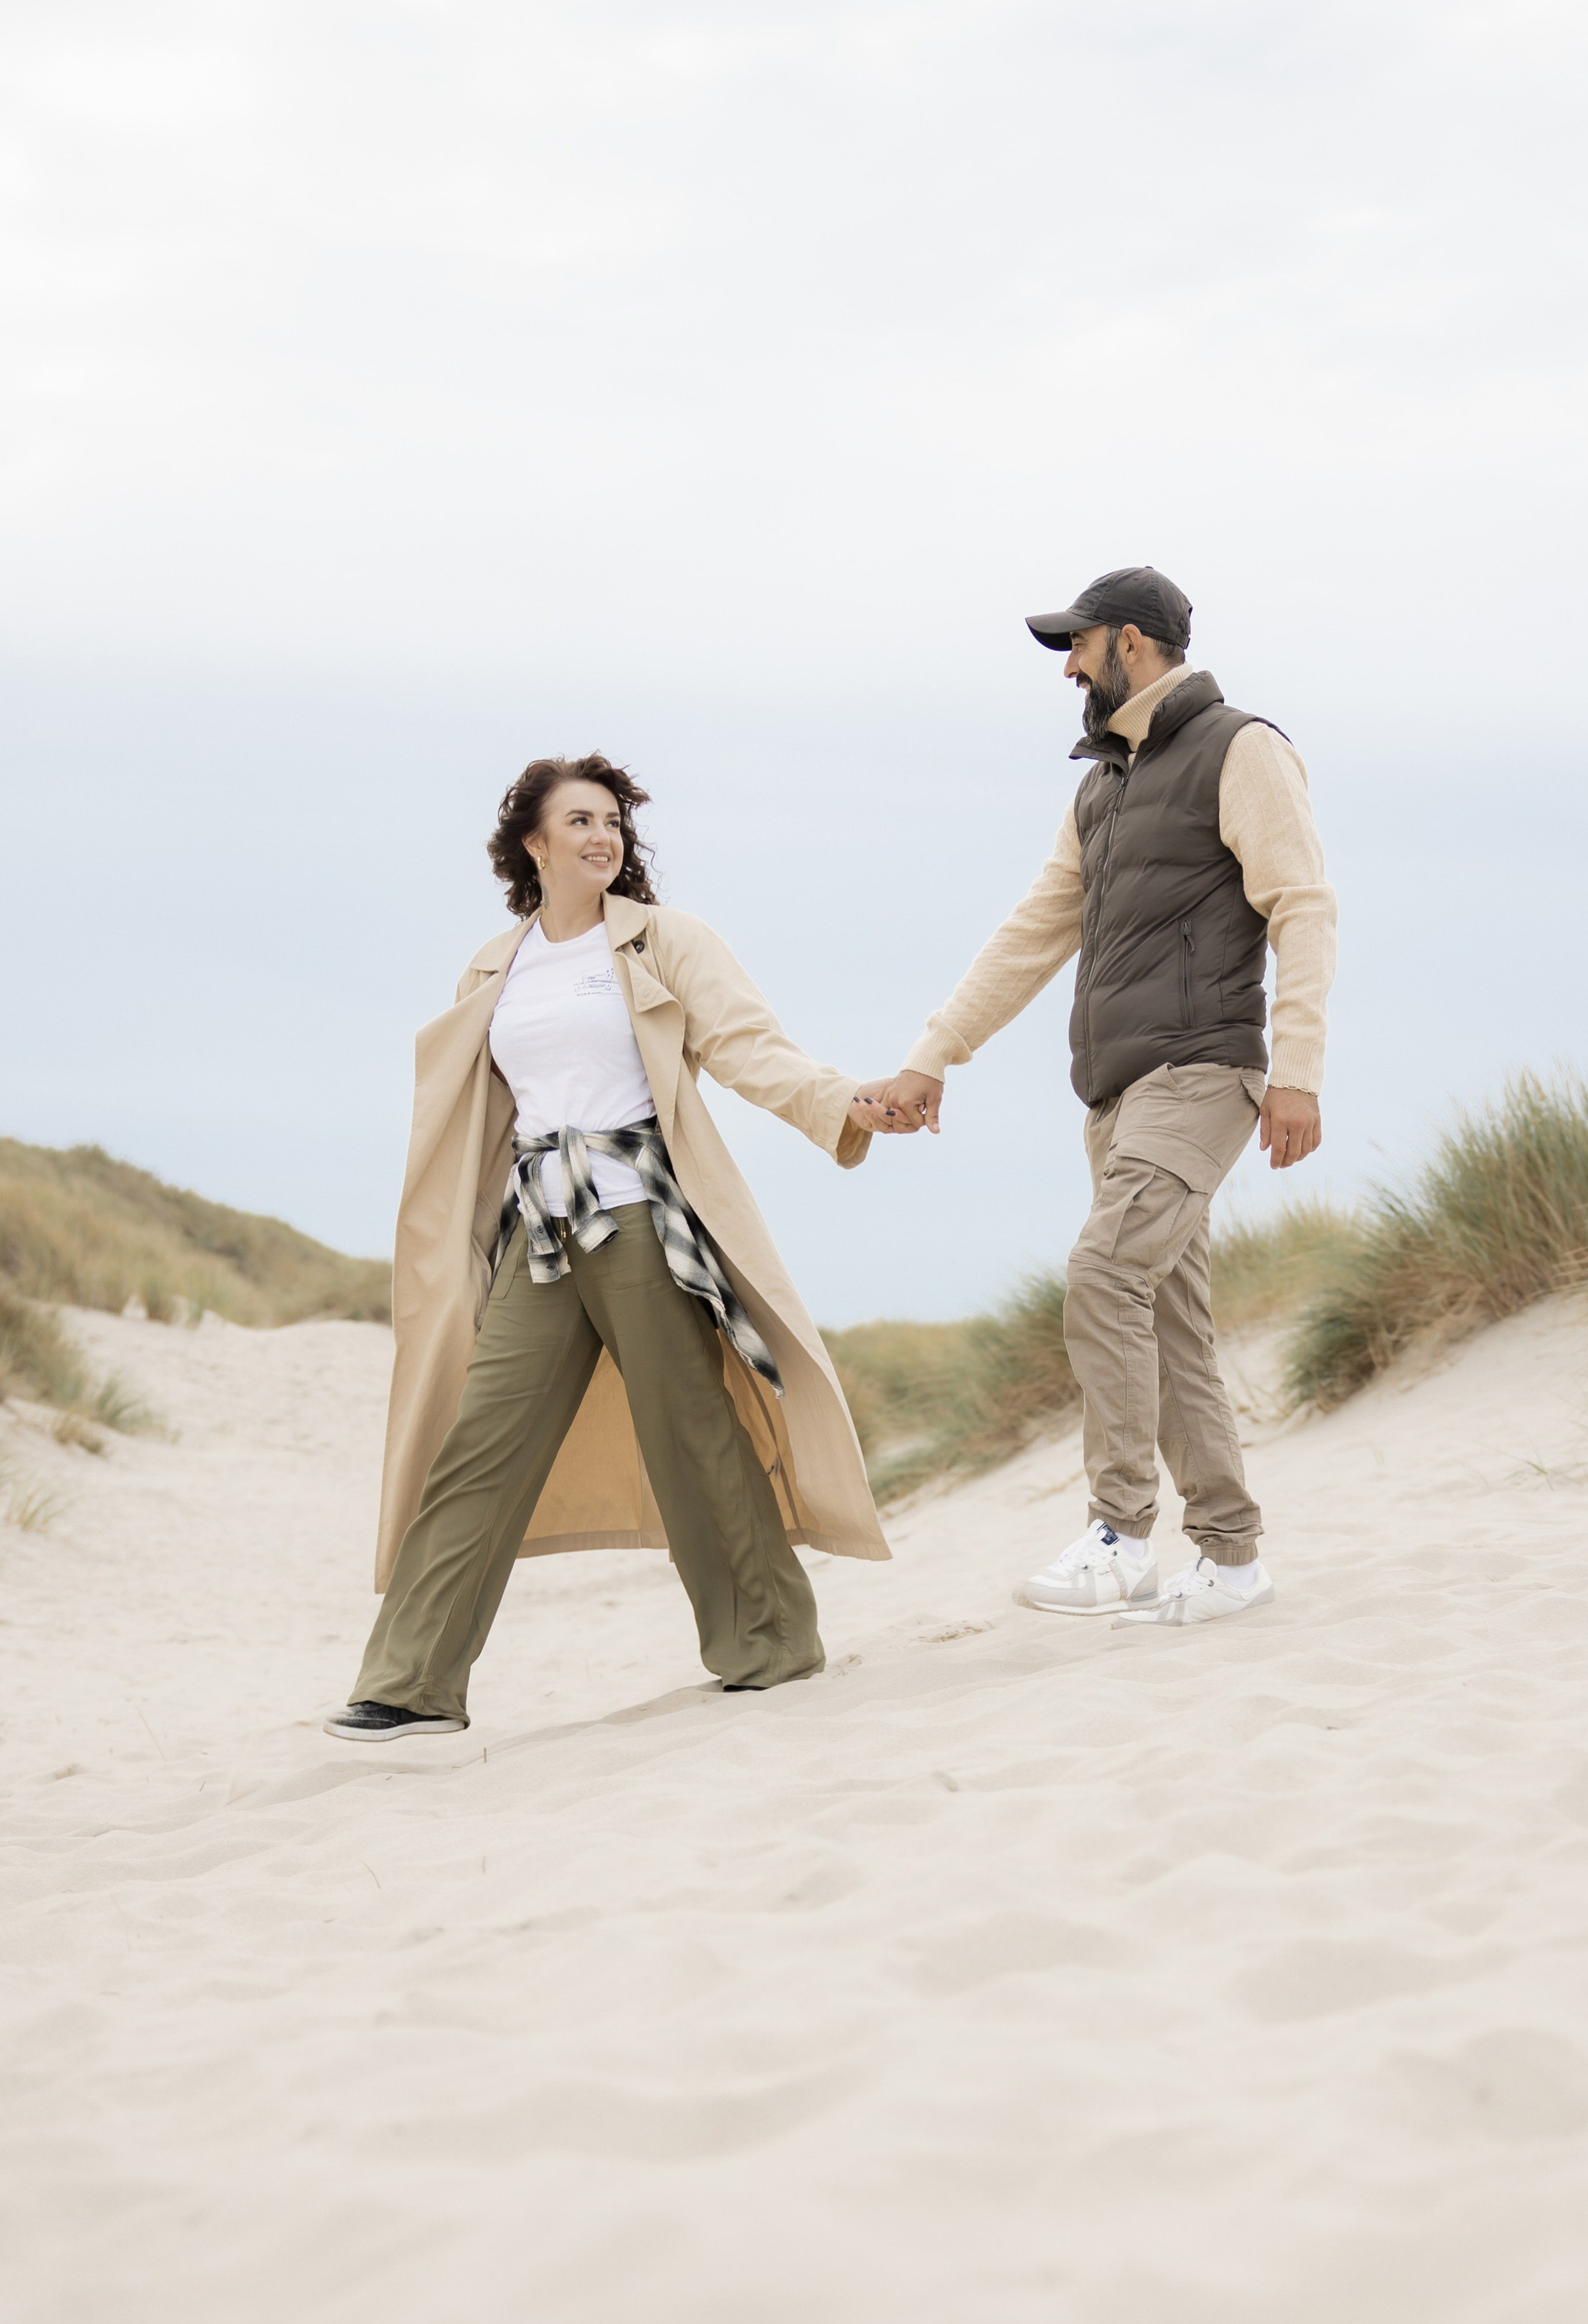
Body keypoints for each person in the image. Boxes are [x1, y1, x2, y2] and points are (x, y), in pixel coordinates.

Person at [327, 752, 902, 1742]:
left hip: (637, 1214)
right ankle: (411, 1681)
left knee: (691, 1431)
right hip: (537, 1229)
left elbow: (745, 1045)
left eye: (614, 822)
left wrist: (839, 1099)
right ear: (533, 843)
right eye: (581, 821)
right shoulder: (493, 967)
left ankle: (768, 1643)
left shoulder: (659, 942)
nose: (604, 837)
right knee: (478, 1446)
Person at [861, 565, 1336, 1629]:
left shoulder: (1241, 749)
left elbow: (1303, 906)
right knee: (1167, 1324)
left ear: (1132, 642)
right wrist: (933, 1054)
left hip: (1205, 1071)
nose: (1067, 666)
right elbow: (1032, 933)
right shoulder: (1101, 789)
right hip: (1119, 1094)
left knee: (1102, 1274)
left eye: (1076, 645)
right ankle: (1230, 1559)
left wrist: (1296, 1069)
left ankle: (1120, 1533)